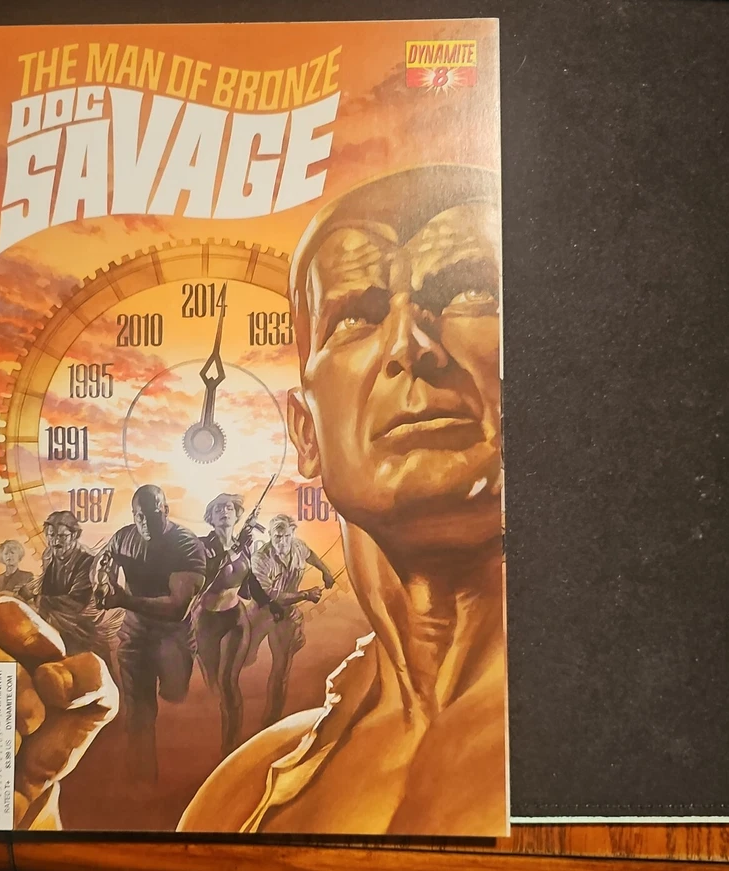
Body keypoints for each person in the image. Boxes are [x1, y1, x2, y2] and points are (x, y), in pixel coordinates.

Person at [179, 164, 507, 836]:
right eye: (356, 316)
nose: (409, 345)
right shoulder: (240, 799)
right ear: (306, 433)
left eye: (471, 290)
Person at [97, 484, 207, 784]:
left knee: (176, 695)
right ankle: (142, 784)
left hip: (173, 638)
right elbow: (104, 563)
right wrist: (103, 580)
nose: (144, 522)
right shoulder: (123, 537)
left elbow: (177, 608)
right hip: (135, 637)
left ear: (165, 510)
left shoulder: (187, 545)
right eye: (139, 516)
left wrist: (124, 600)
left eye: (152, 514)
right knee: (139, 714)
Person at [195, 493, 283, 757]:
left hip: (235, 620)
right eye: (218, 509)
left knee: (228, 682)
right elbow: (208, 575)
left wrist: (269, 603)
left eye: (229, 508)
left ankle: (230, 747)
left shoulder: (244, 546)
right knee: (212, 684)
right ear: (210, 518)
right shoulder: (201, 546)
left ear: (237, 516)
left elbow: (250, 583)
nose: (224, 511)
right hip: (206, 622)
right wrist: (235, 548)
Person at [245, 514, 335, 729]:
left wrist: (326, 571)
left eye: (286, 536)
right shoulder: (260, 558)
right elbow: (273, 596)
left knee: (281, 669)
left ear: (292, 534)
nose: (282, 541)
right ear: (270, 535)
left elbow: (310, 555)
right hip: (261, 613)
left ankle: (271, 722)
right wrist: (305, 595)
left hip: (286, 616)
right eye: (277, 537)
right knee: (245, 658)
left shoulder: (299, 547)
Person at [23, 510, 122, 669]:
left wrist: (38, 600)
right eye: (51, 535)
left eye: (62, 536)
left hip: (82, 633)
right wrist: (27, 591)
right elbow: (44, 582)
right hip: (55, 624)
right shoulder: (49, 555)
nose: (55, 541)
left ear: (75, 535)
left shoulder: (87, 562)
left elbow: (76, 602)